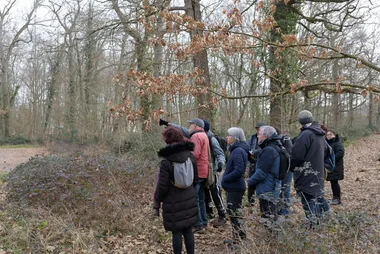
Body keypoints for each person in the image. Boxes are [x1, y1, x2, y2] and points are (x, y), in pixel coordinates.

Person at [153, 127, 198, 254]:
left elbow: (162, 186)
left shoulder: (166, 161)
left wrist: (158, 200)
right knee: (188, 230)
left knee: (176, 232)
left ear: (167, 140)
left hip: (172, 200)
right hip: (189, 198)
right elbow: (196, 179)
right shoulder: (191, 156)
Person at [160, 118, 210, 232]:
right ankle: (204, 221)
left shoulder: (196, 137)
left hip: (198, 172)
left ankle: (199, 223)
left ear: (196, 126)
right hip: (203, 171)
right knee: (201, 198)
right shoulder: (203, 135)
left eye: (191, 124)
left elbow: (194, 154)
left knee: (195, 198)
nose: (190, 126)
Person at [290, 110, 330, 227]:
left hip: (306, 173)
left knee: (307, 199)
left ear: (300, 121)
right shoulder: (320, 133)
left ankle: (312, 224)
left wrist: (291, 167)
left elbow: (297, 155)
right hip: (317, 171)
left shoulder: (306, 134)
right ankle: (320, 221)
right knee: (316, 197)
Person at [248, 126, 281, 225]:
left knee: (268, 213)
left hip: (268, 187)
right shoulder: (274, 146)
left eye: (259, 134)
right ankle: (271, 237)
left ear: (266, 136)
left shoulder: (269, 150)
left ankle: (270, 238)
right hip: (272, 185)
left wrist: (250, 182)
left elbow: (261, 173)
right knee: (270, 213)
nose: (257, 136)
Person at [221, 127, 249, 245]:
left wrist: (225, 178)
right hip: (233, 187)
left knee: (235, 214)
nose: (227, 137)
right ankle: (237, 238)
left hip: (235, 188)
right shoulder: (236, 150)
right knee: (233, 214)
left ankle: (239, 240)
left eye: (229, 135)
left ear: (235, 138)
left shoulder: (238, 151)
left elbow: (239, 171)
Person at [202, 119, 227, 227]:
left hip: (212, 170)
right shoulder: (200, 137)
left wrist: (220, 165)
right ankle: (209, 212)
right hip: (203, 170)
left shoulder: (211, 139)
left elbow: (219, 153)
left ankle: (222, 214)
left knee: (215, 192)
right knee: (205, 193)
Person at [247, 122, 267, 206]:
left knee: (261, 183)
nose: (258, 130)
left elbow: (264, 150)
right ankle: (250, 201)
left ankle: (261, 202)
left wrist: (254, 152)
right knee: (251, 183)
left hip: (261, 163)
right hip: (252, 163)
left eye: (260, 129)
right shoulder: (252, 137)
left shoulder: (266, 138)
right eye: (257, 129)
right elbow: (248, 148)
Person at [325, 129, 345, 205]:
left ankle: (337, 198)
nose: (329, 136)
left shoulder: (337, 143)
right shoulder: (327, 144)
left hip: (336, 166)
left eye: (330, 134)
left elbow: (340, 153)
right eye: (327, 135)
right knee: (332, 182)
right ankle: (335, 197)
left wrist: (332, 159)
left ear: (334, 135)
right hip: (329, 166)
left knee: (334, 182)